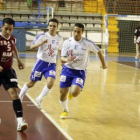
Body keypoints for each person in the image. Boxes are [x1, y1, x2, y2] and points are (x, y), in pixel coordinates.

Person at [59, 23, 107, 119]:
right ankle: (65, 110)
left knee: (75, 93)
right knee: (62, 93)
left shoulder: (87, 43)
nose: (76, 33)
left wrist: (103, 64)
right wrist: (67, 60)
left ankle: (71, 93)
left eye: (78, 32)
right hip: (67, 70)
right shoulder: (67, 42)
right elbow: (62, 58)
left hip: (80, 72)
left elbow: (99, 52)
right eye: (74, 31)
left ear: (82, 32)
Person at [19, 18, 63, 109]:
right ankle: (20, 96)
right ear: (48, 26)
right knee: (31, 83)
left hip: (51, 64)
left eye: (54, 26)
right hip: (41, 63)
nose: (52, 28)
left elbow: (59, 50)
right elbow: (31, 47)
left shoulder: (60, 38)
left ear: (57, 27)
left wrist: (61, 60)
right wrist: (41, 43)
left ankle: (39, 98)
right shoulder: (42, 36)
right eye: (50, 26)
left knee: (50, 82)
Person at [0, 18, 28, 131]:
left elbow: (14, 49)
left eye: (10, 29)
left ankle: (20, 122)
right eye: (6, 29)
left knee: (14, 93)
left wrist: (19, 60)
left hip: (7, 70)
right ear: (1, 27)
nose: (8, 31)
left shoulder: (13, 38)